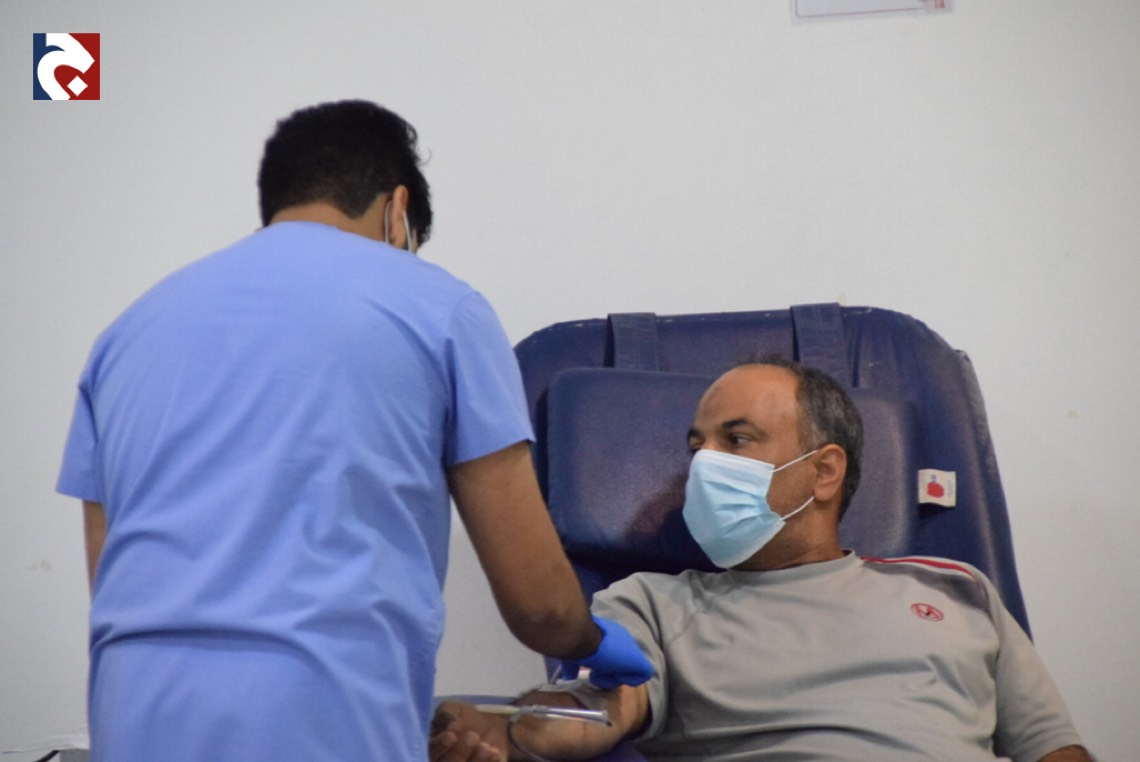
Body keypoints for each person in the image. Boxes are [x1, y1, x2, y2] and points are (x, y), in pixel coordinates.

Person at [56, 99, 651, 762]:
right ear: (398, 212)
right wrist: (595, 645)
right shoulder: (440, 308)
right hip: (322, 712)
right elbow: (538, 605)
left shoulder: (127, 333)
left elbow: (111, 574)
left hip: (132, 714)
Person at [430, 359, 1091, 762]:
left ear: (824, 471)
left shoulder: (957, 591)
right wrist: (511, 732)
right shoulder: (654, 604)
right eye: (697, 446)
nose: (703, 464)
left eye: (736, 439)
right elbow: (599, 710)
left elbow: (1053, 749)